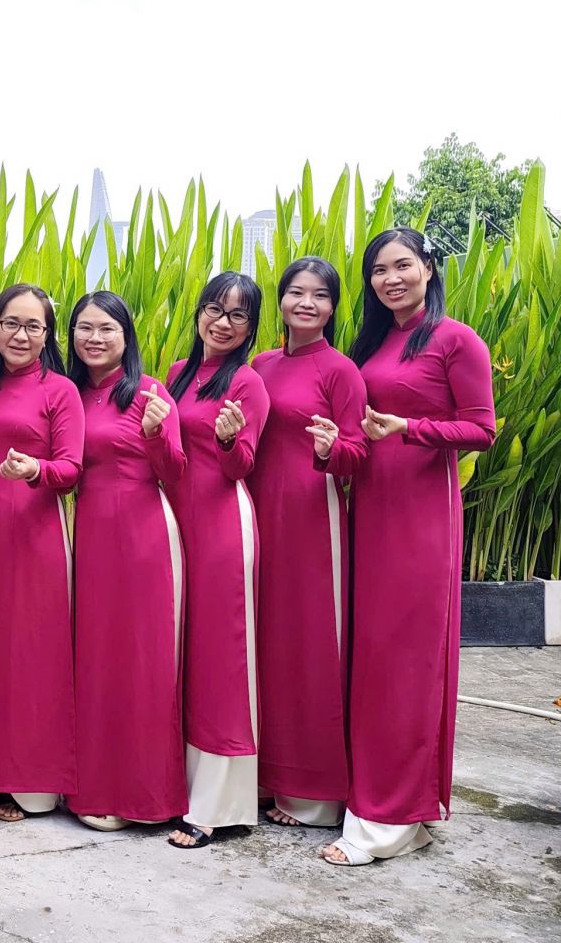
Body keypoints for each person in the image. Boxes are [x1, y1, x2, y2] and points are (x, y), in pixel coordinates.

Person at [323, 228, 495, 866]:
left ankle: (386, 822)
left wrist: (410, 428)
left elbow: (482, 429)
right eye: (378, 270)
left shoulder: (456, 340)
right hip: (369, 507)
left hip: (420, 515)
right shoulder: (375, 342)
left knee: (404, 660)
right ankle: (389, 808)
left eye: (402, 265)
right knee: (369, 658)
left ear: (428, 267)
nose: (390, 278)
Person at [0, 283, 84, 823]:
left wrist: (35, 470)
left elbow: (71, 468)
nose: (21, 335)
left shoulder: (61, 391)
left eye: (34, 326)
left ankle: (30, 782)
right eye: (11, 323)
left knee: (33, 651)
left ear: (48, 335)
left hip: (36, 532)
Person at [251, 258, 368, 830]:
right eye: (296, 292)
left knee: (309, 644)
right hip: (255, 511)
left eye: (319, 295)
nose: (306, 303)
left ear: (333, 307)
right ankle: (263, 774)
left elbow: (358, 453)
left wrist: (328, 448)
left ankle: (313, 793)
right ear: (280, 300)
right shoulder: (260, 365)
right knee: (263, 642)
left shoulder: (340, 371)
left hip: (310, 517)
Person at [66, 291, 188, 831]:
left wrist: (156, 433)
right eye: (85, 328)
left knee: (143, 661)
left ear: (126, 336)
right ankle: (93, 787)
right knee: (94, 658)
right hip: (89, 535)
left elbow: (176, 471)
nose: (95, 338)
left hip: (143, 537)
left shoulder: (149, 393)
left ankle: (143, 794)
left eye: (107, 329)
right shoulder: (69, 393)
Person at [165, 272, 270, 850]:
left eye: (237, 314)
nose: (222, 322)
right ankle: (176, 785)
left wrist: (230, 441)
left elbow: (242, 466)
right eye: (214, 308)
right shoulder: (177, 375)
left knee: (221, 660)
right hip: (175, 525)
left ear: (251, 327)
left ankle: (216, 805)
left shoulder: (248, 384)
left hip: (223, 526)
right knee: (181, 656)